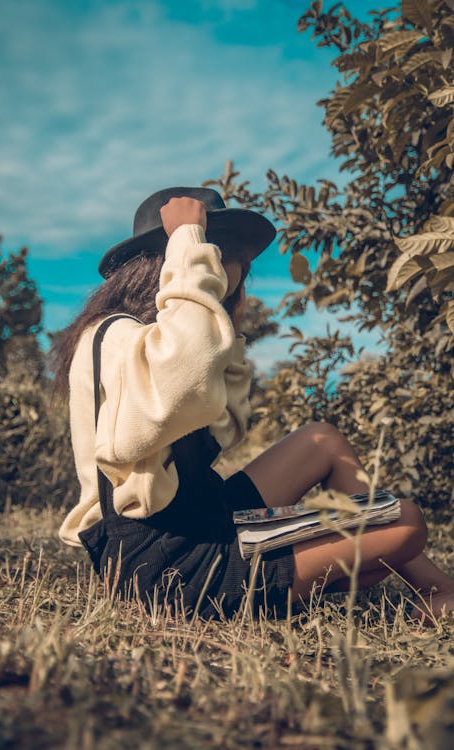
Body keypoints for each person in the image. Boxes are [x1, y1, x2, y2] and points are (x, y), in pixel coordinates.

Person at [52, 186, 454, 622]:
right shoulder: (113, 335)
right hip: (169, 565)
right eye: (220, 249)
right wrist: (188, 239)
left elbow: (223, 424)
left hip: (202, 517)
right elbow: (178, 390)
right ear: (169, 260)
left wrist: (229, 325)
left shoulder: (166, 337)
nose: (240, 265)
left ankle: (429, 587)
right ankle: (369, 569)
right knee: (406, 524)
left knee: (322, 440)